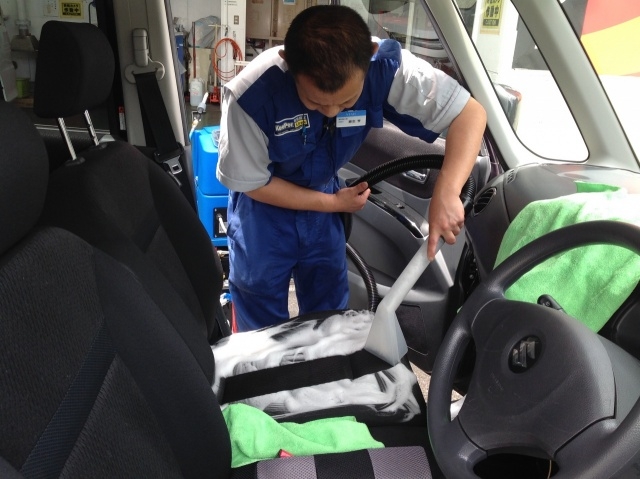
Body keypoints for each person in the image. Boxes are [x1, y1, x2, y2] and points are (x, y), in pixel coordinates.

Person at [216, 5, 486, 332]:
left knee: (330, 314)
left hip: (323, 207)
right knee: (259, 320)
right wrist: (332, 203)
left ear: (369, 56)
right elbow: (253, 184)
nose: (331, 112)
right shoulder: (250, 96)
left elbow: (469, 114)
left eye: (346, 102)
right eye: (315, 102)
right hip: (263, 214)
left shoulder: (386, 67)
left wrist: (447, 191)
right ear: (288, 61)